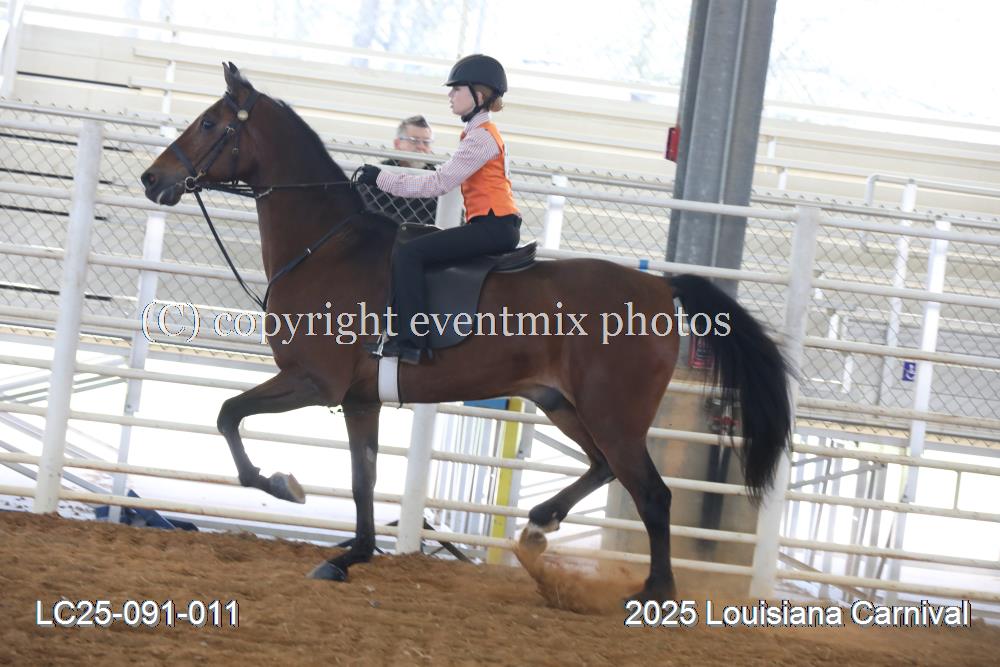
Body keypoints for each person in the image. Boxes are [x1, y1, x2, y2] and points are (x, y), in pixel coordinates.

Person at [358, 54, 520, 365]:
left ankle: (410, 342)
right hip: (492, 224)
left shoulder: (481, 139)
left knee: (409, 254)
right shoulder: (478, 134)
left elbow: (439, 183)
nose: (450, 95)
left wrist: (381, 178)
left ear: (479, 95)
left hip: (494, 226)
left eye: (456, 89)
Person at [361, 115, 439, 227]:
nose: (421, 147)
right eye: (414, 141)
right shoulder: (378, 173)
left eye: (426, 142)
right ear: (397, 144)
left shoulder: (437, 179)